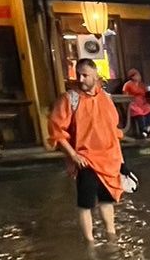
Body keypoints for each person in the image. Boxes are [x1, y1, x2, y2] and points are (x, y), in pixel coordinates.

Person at [48, 58, 125, 244]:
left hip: (108, 159)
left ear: (95, 76)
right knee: (86, 203)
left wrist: (121, 162)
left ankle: (111, 235)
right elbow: (57, 130)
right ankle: (90, 242)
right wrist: (73, 155)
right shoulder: (70, 99)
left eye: (85, 75)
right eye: (78, 75)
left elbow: (114, 132)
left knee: (107, 200)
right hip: (85, 159)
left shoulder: (106, 98)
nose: (80, 79)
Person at [122, 68, 150, 139]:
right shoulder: (127, 84)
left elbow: (146, 91)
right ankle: (143, 130)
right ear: (132, 77)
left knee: (149, 109)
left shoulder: (141, 84)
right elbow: (125, 95)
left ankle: (147, 128)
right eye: (137, 75)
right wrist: (131, 101)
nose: (139, 77)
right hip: (132, 103)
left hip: (142, 102)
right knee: (138, 111)